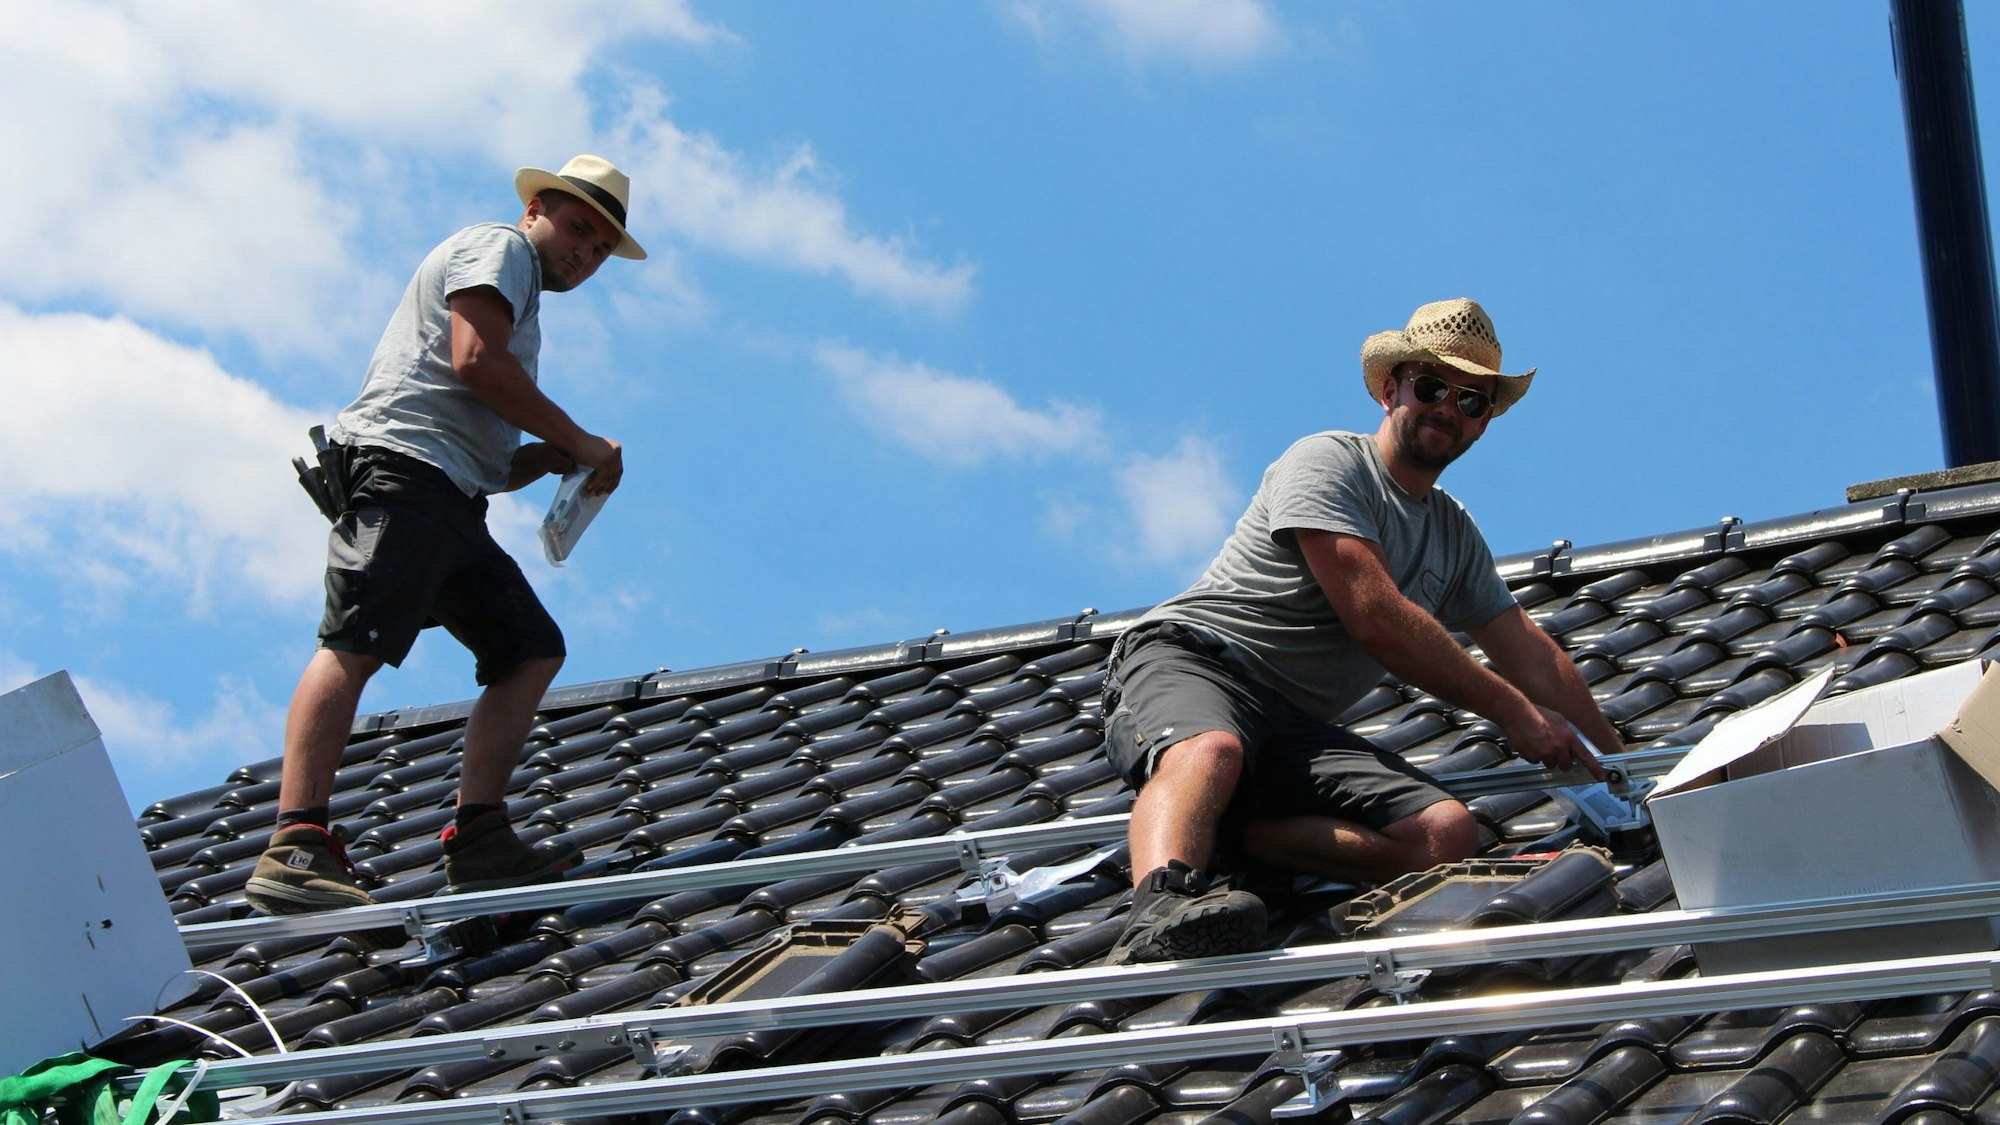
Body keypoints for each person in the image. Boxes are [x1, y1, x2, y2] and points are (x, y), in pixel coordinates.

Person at [1103, 297, 1627, 964]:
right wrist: (1514, 713)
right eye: (1433, 387)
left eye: (1472, 401)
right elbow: (1375, 615)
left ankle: (1246, 839)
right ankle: (1160, 909)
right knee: (1212, 750)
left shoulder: (1453, 535)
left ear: (1485, 422)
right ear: (1391, 389)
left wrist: (1620, 771)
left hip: (1290, 723)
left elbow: (1530, 653)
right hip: (1195, 663)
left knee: (1445, 833)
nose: (1449, 408)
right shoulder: (1327, 462)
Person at [244, 155, 646, 915]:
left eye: (598, 250)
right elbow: (475, 363)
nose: (584, 254)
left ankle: (482, 837)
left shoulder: (520, 293)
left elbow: (483, 448)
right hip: (405, 477)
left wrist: (543, 455)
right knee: (356, 641)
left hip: (448, 494)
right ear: (537, 209)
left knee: (529, 646)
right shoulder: (501, 250)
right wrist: (583, 440)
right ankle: (296, 840)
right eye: (578, 230)